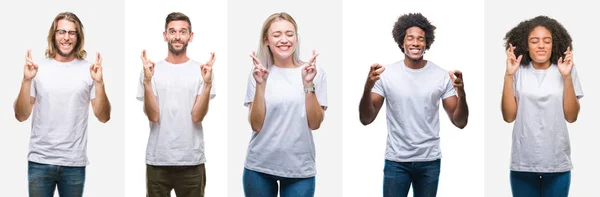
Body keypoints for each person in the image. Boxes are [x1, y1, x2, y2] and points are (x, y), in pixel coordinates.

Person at [358, 13, 469, 197]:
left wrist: (462, 92)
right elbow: (366, 118)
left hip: (429, 161)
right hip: (396, 161)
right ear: (401, 42)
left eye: (420, 39)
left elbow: (460, 122)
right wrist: (367, 87)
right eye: (410, 38)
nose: (415, 43)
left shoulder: (441, 75)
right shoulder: (386, 74)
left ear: (427, 44)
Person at [14, 12, 111, 197]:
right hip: (40, 161)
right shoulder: (37, 69)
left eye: (71, 33)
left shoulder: (89, 70)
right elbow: (21, 115)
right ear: (54, 35)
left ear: (78, 37)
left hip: (74, 163)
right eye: (61, 32)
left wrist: (99, 83)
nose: (66, 37)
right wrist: (26, 80)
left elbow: (104, 116)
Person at [242, 12, 327, 197]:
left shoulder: (314, 72)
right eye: (277, 34)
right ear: (266, 40)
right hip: (259, 168)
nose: (284, 40)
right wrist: (261, 85)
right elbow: (256, 124)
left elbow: (315, 123)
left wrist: (308, 84)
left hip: (300, 169)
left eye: (290, 34)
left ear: (296, 37)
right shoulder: (258, 73)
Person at [136, 12, 215, 197]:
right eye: (172, 31)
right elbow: (153, 116)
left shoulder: (202, 71)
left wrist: (208, 84)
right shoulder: (151, 71)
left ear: (190, 36)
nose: (177, 36)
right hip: (158, 160)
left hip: (191, 161)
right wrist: (147, 82)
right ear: (165, 36)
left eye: (182, 32)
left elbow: (197, 116)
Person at [501, 15, 582, 197]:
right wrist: (508, 75)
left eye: (547, 41)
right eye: (534, 41)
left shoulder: (566, 69)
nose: (541, 45)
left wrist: (567, 77)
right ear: (525, 44)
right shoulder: (517, 71)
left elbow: (571, 116)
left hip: (556, 161)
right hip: (523, 161)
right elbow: (508, 116)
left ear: (555, 44)